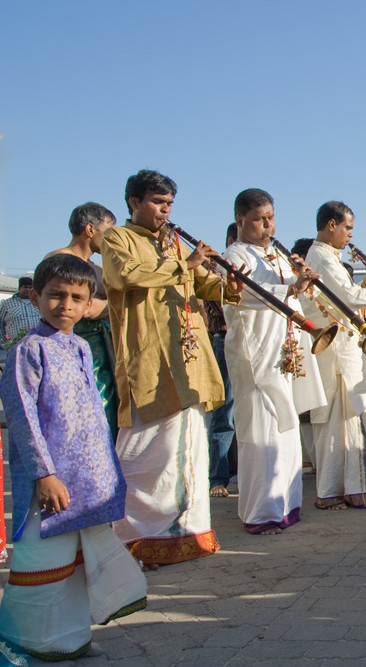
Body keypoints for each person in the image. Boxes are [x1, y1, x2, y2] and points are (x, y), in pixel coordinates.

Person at [0, 255, 147, 660]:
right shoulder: (26, 350)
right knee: (44, 562)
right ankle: (29, 639)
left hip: (86, 478)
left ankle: (71, 637)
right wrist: (44, 475)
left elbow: (94, 414)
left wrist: (108, 473)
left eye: (76, 298)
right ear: (35, 296)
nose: (65, 305)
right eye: (55, 295)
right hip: (48, 483)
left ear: (88, 305)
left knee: (77, 564)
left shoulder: (81, 346)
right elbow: (23, 417)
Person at [103, 169, 240, 566]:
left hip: (188, 359)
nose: (165, 211)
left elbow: (201, 284)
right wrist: (187, 265)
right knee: (148, 451)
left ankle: (189, 533)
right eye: (157, 203)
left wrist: (229, 285)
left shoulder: (175, 243)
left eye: (169, 205)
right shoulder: (117, 238)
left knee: (191, 448)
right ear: (133, 202)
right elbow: (124, 276)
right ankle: (138, 535)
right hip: (148, 358)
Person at [222, 189, 326, 533]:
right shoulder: (236, 254)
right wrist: (294, 287)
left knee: (286, 427)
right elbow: (249, 295)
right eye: (259, 219)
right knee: (261, 430)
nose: (268, 225)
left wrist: (304, 282)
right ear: (241, 221)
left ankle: (285, 505)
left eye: (271, 217)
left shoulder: (277, 255)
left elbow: (292, 295)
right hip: (255, 353)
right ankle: (260, 512)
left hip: (282, 352)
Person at [302, 201, 366, 509]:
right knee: (336, 425)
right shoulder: (322, 257)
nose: (350, 235)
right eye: (348, 227)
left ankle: (351, 488)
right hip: (336, 354)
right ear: (331, 225)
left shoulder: (327, 257)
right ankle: (332, 493)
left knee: (347, 423)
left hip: (343, 350)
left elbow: (341, 296)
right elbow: (346, 297)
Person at [46, 202, 120, 440]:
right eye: (108, 230)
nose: (111, 238)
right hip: (75, 345)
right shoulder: (60, 259)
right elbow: (78, 309)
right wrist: (111, 307)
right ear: (90, 229)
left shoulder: (98, 267)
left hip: (103, 347)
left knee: (108, 408)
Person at [205, 223, 239, 497]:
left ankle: (240, 470)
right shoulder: (214, 267)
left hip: (249, 340)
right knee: (223, 411)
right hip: (224, 337)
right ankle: (218, 477)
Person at [0, 277, 41, 350]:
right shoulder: (7, 303)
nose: (27, 290)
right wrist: (4, 343)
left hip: (37, 344)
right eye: (25, 287)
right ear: (19, 288)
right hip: (16, 346)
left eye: (30, 287)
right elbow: (1, 324)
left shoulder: (38, 302)